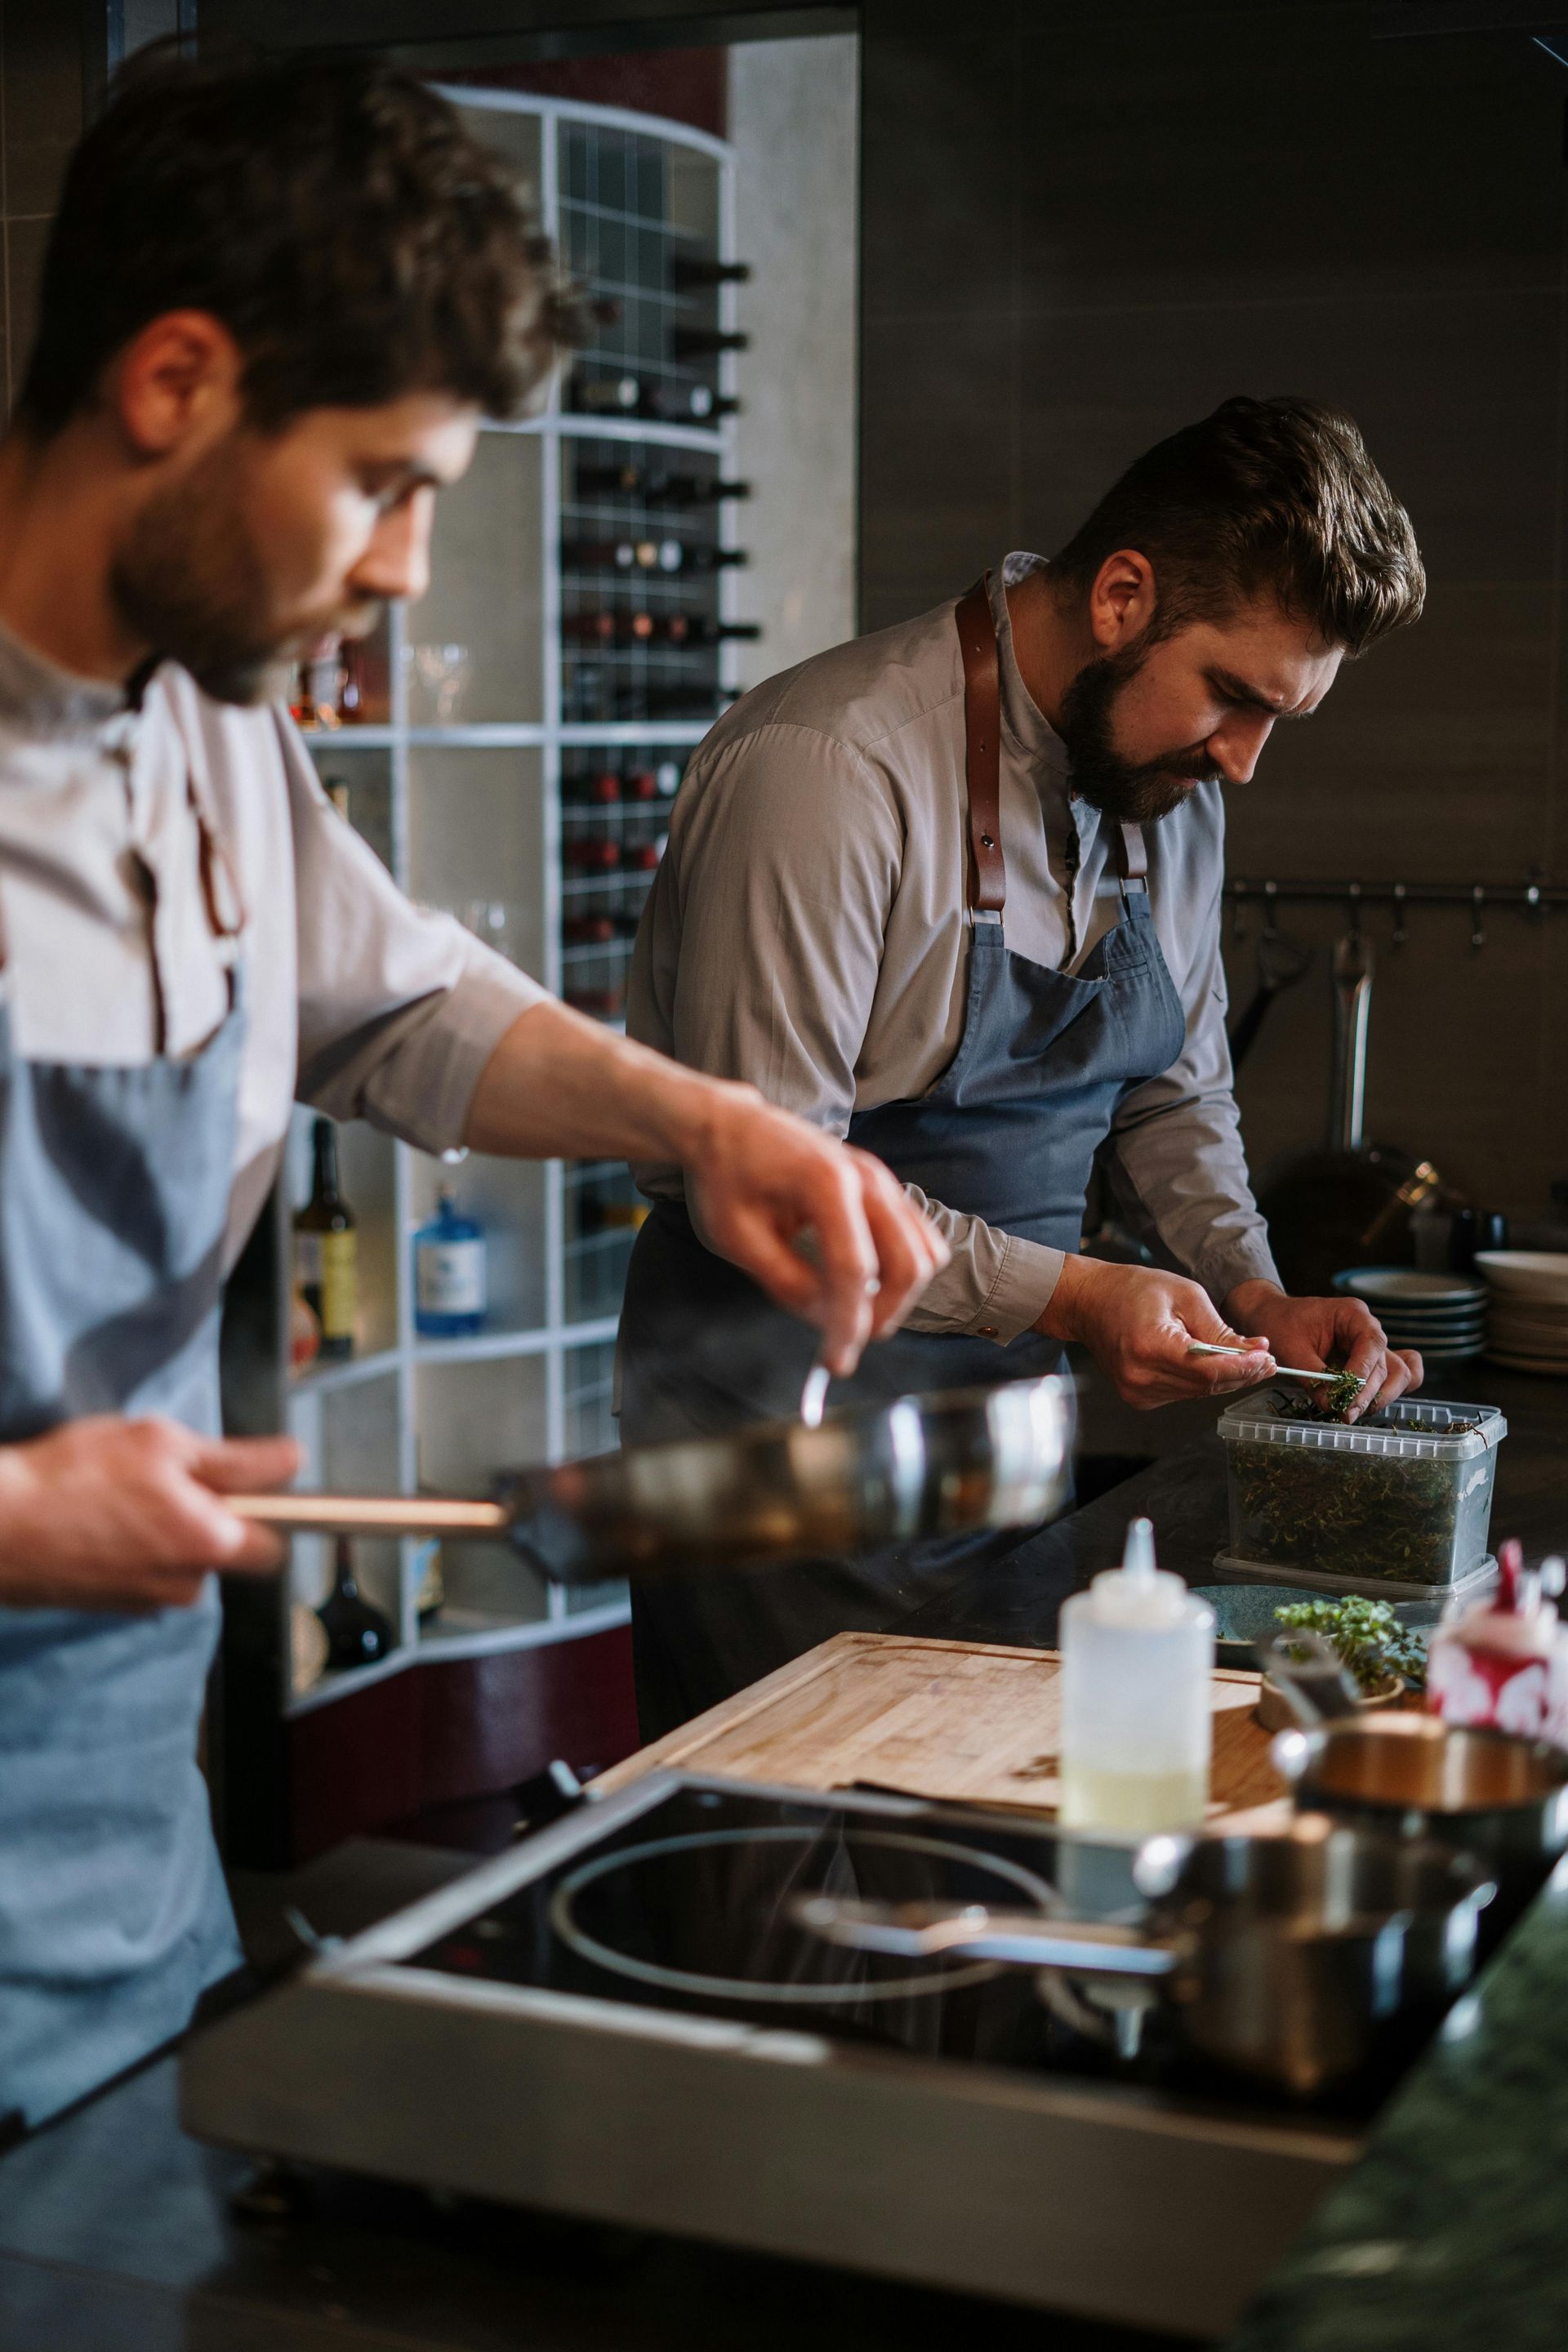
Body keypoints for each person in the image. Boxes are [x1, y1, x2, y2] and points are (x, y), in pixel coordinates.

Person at [0, 51, 945, 2133]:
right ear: (172, 381)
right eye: (380, 482)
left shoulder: (213, 733)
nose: (416, 568)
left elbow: (401, 1010)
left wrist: (700, 1121)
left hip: (118, 1908)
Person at [621, 395, 1428, 1737]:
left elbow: (1178, 1086)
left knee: (974, 1832)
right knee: (779, 1873)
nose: (1246, 760)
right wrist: (1073, 1297)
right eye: (1234, 697)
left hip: (998, 1422)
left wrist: (1251, 1285)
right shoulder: (827, 768)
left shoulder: (1166, 788)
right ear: (1123, 597)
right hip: (770, 1428)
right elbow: (770, 1190)